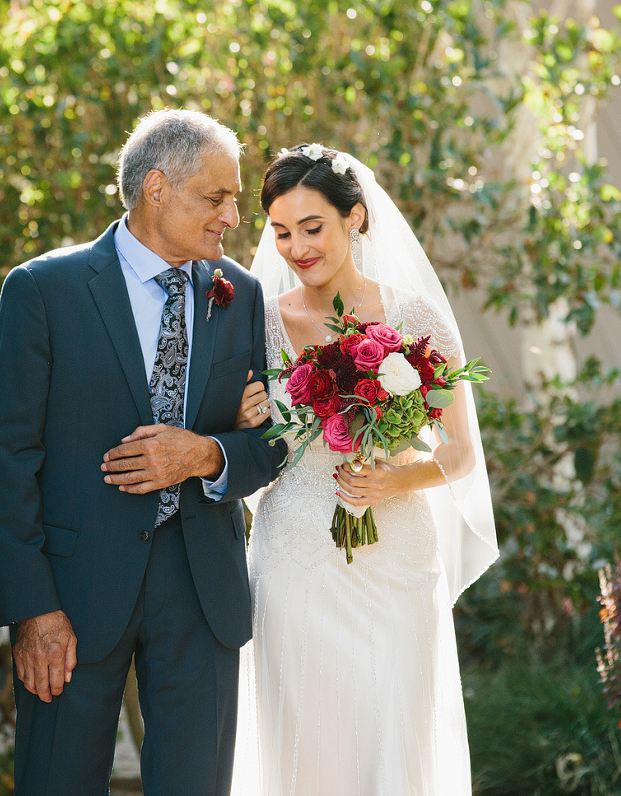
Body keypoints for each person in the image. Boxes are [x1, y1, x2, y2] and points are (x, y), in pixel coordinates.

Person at [0, 109, 286, 796]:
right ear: (155, 189)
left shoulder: (241, 295)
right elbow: (3, 459)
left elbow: (270, 442)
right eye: (216, 196)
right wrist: (33, 610)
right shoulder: (42, 291)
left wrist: (203, 454)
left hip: (202, 590)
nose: (232, 214)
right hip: (72, 595)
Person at [229, 144, 499, 795]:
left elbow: (460, 451)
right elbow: (246, 448)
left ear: (353, 219)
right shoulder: (257, 322)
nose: (296, 247)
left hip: (394, 562)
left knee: (390, 732)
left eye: (312, 227)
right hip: (293, 555)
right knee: (307, 745)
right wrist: (242, 419)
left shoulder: (415, 319)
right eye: (281, 232)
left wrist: (396, 479)